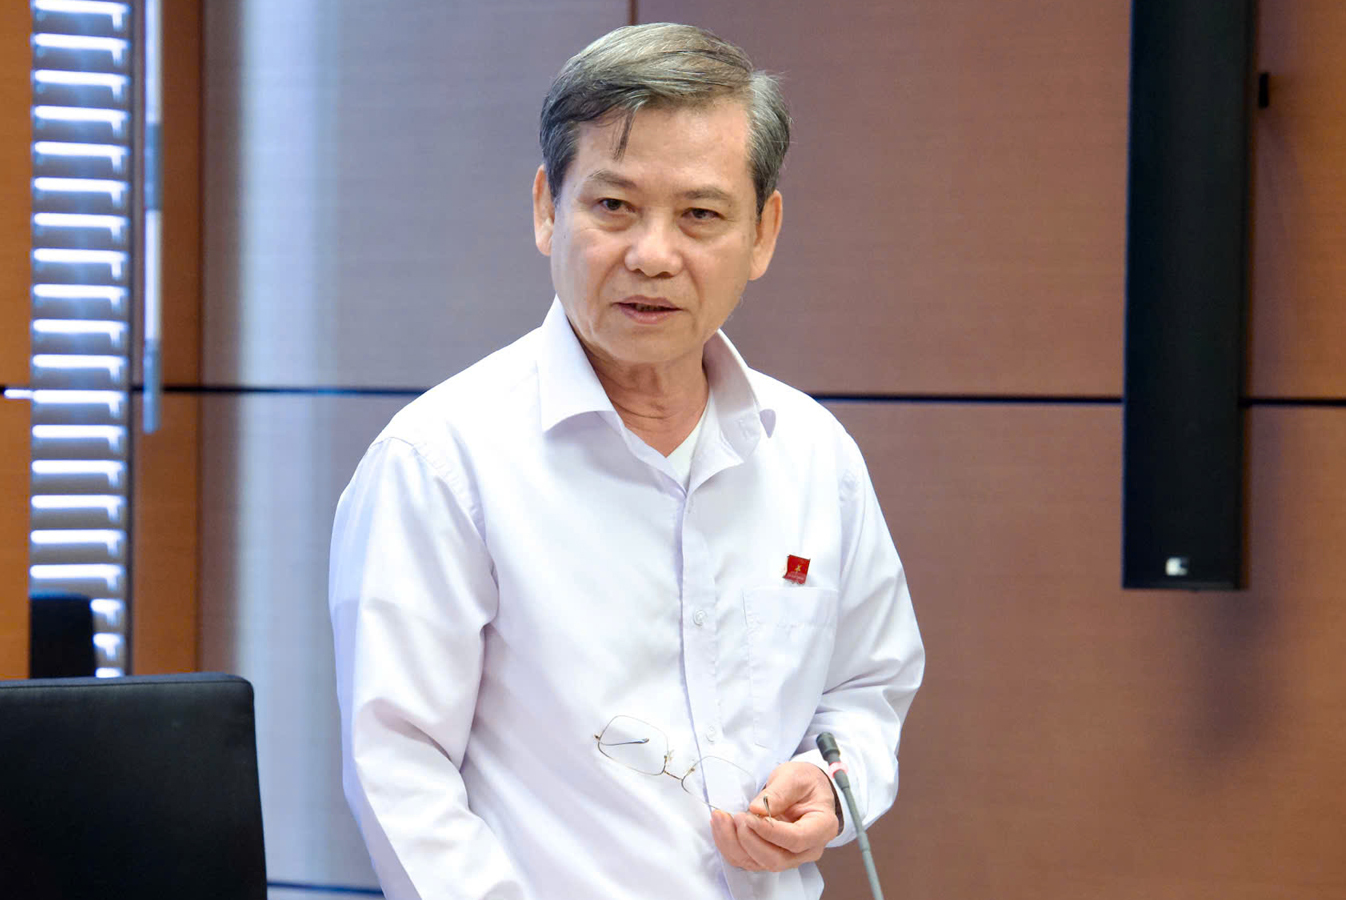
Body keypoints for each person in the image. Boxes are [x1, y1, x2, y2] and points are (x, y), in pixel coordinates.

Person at [329, 22, 924, 900]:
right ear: (547, 208)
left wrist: (833, 784)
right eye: (613, 206)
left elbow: (868, 687)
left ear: (762, 233)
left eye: (700, 215)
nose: (652, 255)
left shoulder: (812, 456)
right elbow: (400, 775)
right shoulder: (441, 463)